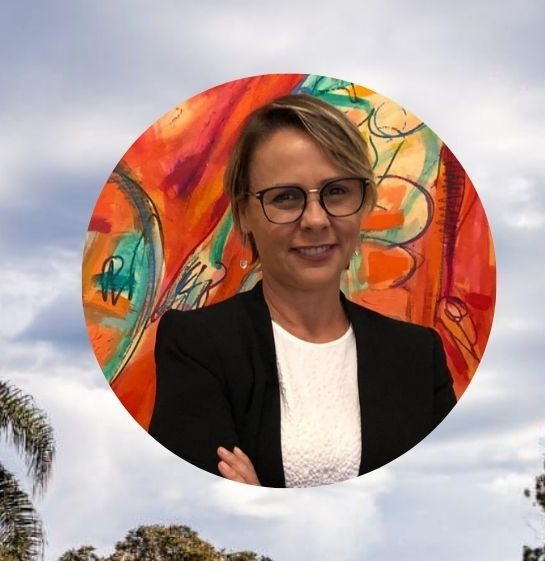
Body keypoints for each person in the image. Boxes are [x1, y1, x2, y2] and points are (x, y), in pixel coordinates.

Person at [147, 94, 455, 487]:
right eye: (286, 198)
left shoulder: (417, 356)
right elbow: (201, 505)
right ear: (244, 213)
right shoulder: (197, 346)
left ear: (363, 202)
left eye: (337, 191)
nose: (315, 219)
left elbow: (437, 499)